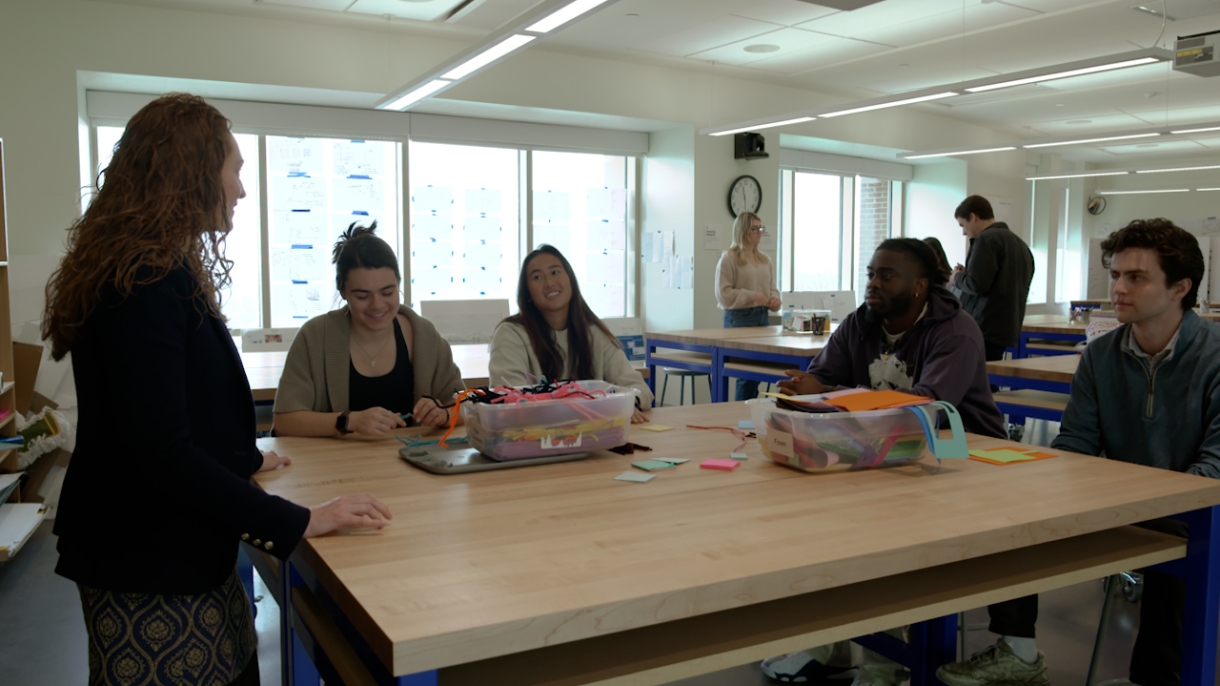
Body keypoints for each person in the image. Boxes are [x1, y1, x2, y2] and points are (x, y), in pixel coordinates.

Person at [42, 93, 391, 685]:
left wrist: (241, 456)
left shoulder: (151, 268)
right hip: (147, 561)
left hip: (175, 548)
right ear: (191, 173)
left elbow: (167, 411)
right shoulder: (143, 280)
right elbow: (159, 450)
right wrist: (298, 519)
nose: (241, 190)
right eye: (234, 170)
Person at [766, 239, 1044, 686]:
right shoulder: (861, 322)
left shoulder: (955, 330)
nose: (873, 283)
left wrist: (839, 400)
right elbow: (828, 373)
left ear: (918, 286)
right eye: (871, 273)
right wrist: (806, 385)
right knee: (819, 517)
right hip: (884, 451)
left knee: (927, 533)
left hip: (963, 457)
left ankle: (889, 659)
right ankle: (835, 641)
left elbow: (924, 409)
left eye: (886, 275)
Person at [1002, 218, 1214, 686]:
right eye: (1115, 275)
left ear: (1181, 287)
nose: (1117, 288)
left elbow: (1215, 465)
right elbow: (1076, 444)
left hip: (1202, 508)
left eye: (1135, 277)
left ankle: (1157, 677)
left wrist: (1145, 502)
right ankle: (1015, 650)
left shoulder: (1214, 357)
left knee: (1178, 563)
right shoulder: (1100, 356)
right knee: (1010, 521)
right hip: (1131, 505)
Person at [274, 223, 464, 437]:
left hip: (414, 463)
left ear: (399, 284)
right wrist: (348, 421)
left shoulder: (423, 335)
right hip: (336, 466)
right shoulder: (315, 337)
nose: (377, 305)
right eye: (362, 296)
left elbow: (466, 404)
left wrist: (444, 414)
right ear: (343, 291)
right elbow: (284, 421)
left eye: (388, 292)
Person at [489, 244, 654, 422]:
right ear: (527, 292)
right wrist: (596, 408)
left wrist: (628, 404)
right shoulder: (510, 333)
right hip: (532, 436)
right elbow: (509, 399)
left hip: (597, 436)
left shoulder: (593, 332)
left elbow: (636, 387)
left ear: (570, 280)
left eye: (555, 272)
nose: (549, 283)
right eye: (537, 277)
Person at [950, 195, 1034, 361]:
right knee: (990, 375)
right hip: (1006, 326)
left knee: (975, 380)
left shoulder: (985, 240)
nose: (963, 232)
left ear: (973, 217)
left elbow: (976, 284)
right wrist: (970, 272)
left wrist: (957, 277)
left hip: (983, 326)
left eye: (963, 225)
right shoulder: (1020, 244)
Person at [715, 211, 781, 400]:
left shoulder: (764, 260)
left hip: (762, 318)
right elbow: (723, 294)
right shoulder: (729, 257)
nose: (759, 232)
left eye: (760, 228)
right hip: (739, 319)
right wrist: (751, 296)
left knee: (757, 374)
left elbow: (772, 288)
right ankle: (740, 417)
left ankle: (752, 416)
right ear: (743, 230)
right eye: (754, 228)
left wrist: (775, 299)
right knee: (745, 375)